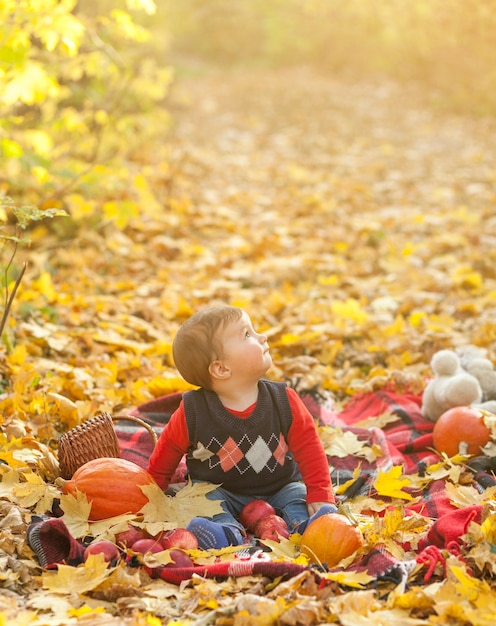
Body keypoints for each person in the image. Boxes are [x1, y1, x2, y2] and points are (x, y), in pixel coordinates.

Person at [147, 305, 336, 550]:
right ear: (221, 368)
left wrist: (320, 493)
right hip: (220, 490)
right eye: (247, 335)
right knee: (201, 499)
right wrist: (152, 496)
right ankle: (225, 532)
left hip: (279, 485)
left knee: (297, 497)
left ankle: (307, 526)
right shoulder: (193, 410)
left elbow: (309, 447)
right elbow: (168, 450)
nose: (262, 337)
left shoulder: (283, 401)